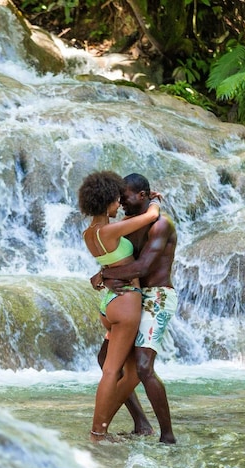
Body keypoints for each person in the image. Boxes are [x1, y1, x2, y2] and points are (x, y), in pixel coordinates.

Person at [91, 173, 178, 444]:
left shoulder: (161, 225)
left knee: (142, 366)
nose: (121, 202)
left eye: (124, 197)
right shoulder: (131, 221)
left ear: (142, 196)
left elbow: (142, 267)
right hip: (134, 293)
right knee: (106, 360)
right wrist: (104, 271)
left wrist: (104, 276)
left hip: (157, 296)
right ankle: (141, 423)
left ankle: (168, 436)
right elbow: (121, 258)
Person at [78, 171, 161, 442]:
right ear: (106, 202)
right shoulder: (112, 230)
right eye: (116, 200)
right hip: (126, 303)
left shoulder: (89, 233)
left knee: (118, 368)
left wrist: (102, 275)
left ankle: (132, 425)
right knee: (113, 371)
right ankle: (98, 433)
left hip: (109, 305)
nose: (119, 204)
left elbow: (122, 232)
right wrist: (156, 202)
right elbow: (149, 217)